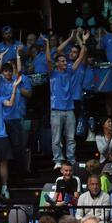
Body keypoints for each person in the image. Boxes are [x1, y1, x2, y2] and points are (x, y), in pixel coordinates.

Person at [41, 31, 89, 169]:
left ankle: (71, 159)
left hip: (69, 110)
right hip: (56, 111)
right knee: (56, 139)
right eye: (61, 61)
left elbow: (80, 58)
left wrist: (83, 41)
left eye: (65, 61)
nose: (65, 62)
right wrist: (47, 44)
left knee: (71, 138)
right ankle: (58, 160)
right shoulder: (52, 73)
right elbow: (49, 60)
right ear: (57, 64)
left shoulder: (69, 71)